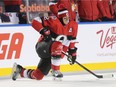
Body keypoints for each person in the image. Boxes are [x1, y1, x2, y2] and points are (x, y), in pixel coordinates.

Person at [12, 8, 78, 81]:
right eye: (65, 18)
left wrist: (73, 54)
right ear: (60, 18)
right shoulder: (53, 20)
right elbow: (35, 21)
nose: (67, 20)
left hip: (54, 53)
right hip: (43, 46)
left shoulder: (73, 25)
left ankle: (20, 70)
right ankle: (55, 70)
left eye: (68, 18)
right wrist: (43, 31)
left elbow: (71, 41)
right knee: (58, 45)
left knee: (38, 76)